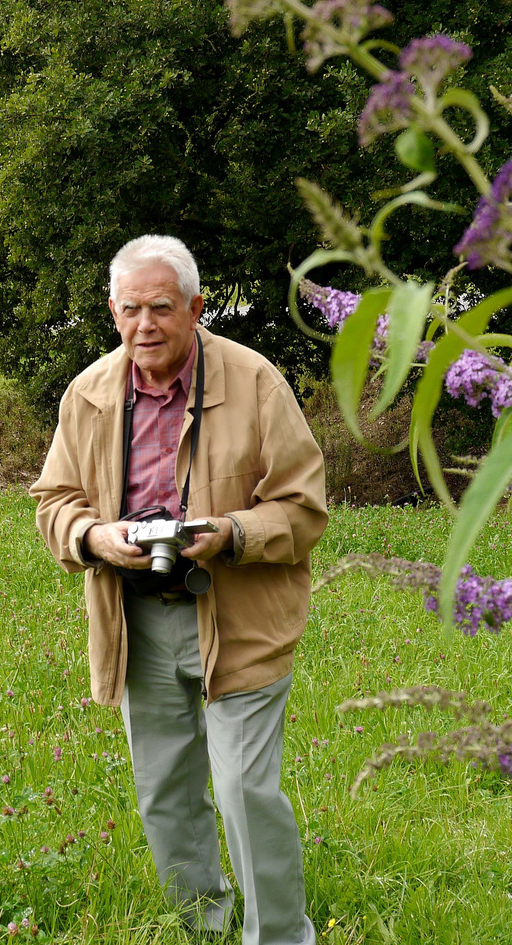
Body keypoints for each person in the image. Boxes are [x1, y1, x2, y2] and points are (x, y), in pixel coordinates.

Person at [31, 235, 327, 944]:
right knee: (165, 792)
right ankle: (205, 926)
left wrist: (228, 531)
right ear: (112, 311)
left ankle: (280, 937)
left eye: (161, 308)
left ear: (195, 308)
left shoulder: (256, 382)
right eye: (130, 310)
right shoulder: (90, 393)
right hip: (137, 617)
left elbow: (304, 507)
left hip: (242, 615)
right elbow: (55, 500)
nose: (145, 326)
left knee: (244, 793)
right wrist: (95, 539)